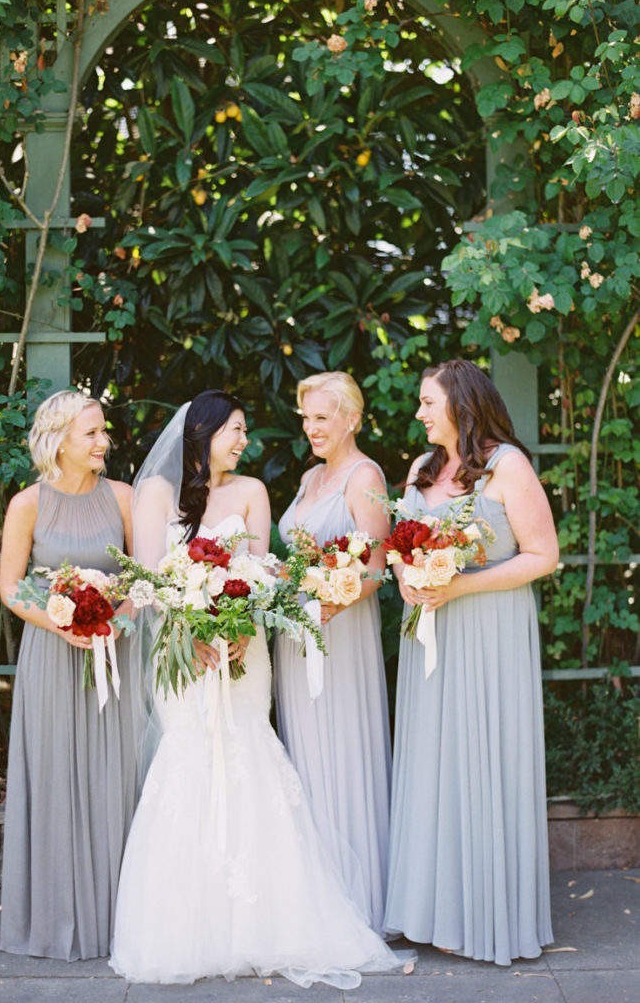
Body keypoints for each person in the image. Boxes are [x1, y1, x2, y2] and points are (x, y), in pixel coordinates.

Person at [109, 389, 412, 987]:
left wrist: (232, 630)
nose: (245, 441)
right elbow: (149, 580)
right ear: (204, 432)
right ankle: (189, 923)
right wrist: (190, 632)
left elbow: (256, 572)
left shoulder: (251, 492)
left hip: (243, 651)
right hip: (182, 654)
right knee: (188, 758)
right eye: (236, 430)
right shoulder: (155, 494)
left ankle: (268, 921)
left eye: (245, 430)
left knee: (252, 755)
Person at [383, 358, 558, 966]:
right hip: (427, 631)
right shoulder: (421, 469)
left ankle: (483, 914)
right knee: (433, 761)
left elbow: (543, 555)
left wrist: (459, 585)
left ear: (459, 404)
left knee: (482, 758)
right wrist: (408, 574)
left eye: (428, 403)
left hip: (488, 630)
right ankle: (427, 911)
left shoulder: (508, 466)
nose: (419, 413)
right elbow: (398, 544)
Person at [0, 389, 136, 961]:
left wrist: (113, 620)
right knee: (54, 776)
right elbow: (10, 588)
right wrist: (62, 625)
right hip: (52, 657)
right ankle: (55, 919)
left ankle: (118, 923)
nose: (104, 442)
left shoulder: (124, 498)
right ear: (59, 441)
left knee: (118, 777)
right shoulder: (26, 504)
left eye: (104, 431)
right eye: (92, 434)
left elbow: (146, 577)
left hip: (116, 656)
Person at [273, 371, 393, 933]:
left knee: (342, 749)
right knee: (306, 756)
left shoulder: (365, 475)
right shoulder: (309, 476)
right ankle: (314, 896)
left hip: (338, 633)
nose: (311, 427)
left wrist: (328, 605)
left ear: (351, 418)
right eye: (306, 417)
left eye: (322, 417)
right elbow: (298, 554)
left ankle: (359, 901)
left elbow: (375, 567)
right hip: (295, 633)